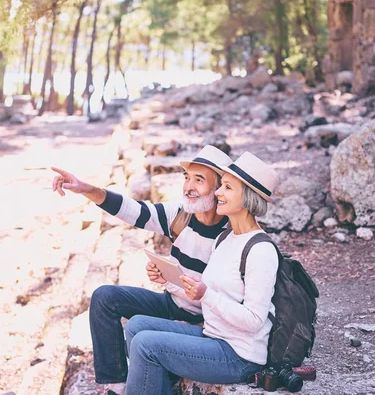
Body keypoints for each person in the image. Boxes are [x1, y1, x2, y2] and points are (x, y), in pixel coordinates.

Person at [51, 145, 233, 395]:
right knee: (105, 297)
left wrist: (171, 281)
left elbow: (220, 298)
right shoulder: (181, 216)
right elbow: (135, 211)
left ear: (219, 188)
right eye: (187, 178)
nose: (188, 187)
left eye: (199, 180)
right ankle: (118, 384)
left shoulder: (230, 236)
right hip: (172, 305)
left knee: (139, 329)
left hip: (204, 322)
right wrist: (85, 189)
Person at [123, 151, 280, 395]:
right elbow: (204, 290)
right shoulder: (225, 237)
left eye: (227, 187)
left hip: (238, 355)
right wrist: (169, 280)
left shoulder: (260, 250)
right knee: (136, 326)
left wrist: (206, 294)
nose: (218, 192)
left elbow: (254, 321)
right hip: (213, 335)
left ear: (248, 198)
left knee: (145, 344)